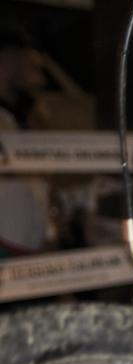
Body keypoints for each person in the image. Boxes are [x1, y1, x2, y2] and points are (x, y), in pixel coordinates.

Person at [0, 26, 50, 255]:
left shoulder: (23, 117)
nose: (40, 80)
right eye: (33, 67)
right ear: (8, 59)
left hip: (28, 245)